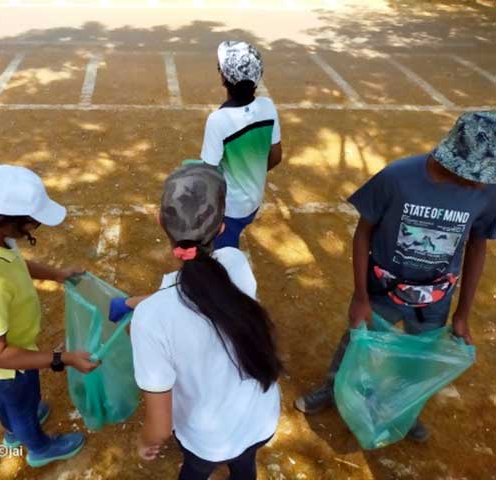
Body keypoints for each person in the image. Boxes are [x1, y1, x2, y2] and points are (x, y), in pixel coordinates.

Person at [294, 111, 496, 442]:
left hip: (434, 300)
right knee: (356, 342)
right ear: (458, 160)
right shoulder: (398, 178)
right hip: (382, 290)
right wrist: (360, 297)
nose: (482, 181)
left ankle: (402, 408)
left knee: (417, 359)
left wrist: (462, 314)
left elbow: (477, 246)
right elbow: (363, 233)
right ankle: (334, 388)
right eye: (479, 174)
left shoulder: (485, 190)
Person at [125, 164, 282, 480]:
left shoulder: (152, 319)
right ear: (222, 227)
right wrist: (137, 302)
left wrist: (144, 443)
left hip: (209, 440)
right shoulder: (236, 264)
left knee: (196, 471)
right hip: (261, 419)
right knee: (244, 464)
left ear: (160, 222)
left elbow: (160, 428)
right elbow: (204, 291)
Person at [0, 164, 99, 468]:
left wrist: (56, 274)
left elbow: (13, 261)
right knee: (22, 402)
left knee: (9, 399)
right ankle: (38, 446)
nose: (32, 229)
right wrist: (61, 359)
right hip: (5, 363)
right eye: (30, 223)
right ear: (3, 220)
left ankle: (14, 428)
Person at [200, 40, 282, 249]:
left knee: (223, 256)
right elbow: (276, 156)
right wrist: (249, 174)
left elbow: (209, 176)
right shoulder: (268, 107)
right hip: (253, 200)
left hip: (230, 209)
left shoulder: (218, 120)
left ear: (223, 78)